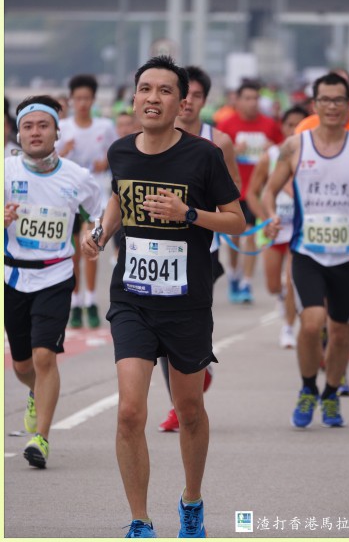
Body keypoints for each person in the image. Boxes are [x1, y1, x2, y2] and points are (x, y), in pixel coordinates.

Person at [81, 55, 245, 538]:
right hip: (132, 298)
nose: (153, 98)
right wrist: (101, 232)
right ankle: (140, 520)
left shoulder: (204, 156)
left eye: (165, 91)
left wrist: (187, 214)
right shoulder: (121, 150)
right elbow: (119, 196)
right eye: (146, 89)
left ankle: (191, 501)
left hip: (186, 301)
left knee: (189, 410)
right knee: (129, 411)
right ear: (134, 98)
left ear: (181, 103)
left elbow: (236, 220)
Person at [265, 72, 349, 428]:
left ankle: (332, 392)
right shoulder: (296, 146)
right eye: (325, 99)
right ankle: (308, 388)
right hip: (307, 251)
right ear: (315, 104)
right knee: (312, 323)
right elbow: (269, 189)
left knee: (340, 332)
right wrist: (272, 216)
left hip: (348, 253)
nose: (332, 106)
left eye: (340, 100)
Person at [4, 95, 102, 468]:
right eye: (28, 126)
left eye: (43, 125)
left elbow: (100, 213)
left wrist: (92, 235)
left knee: (45, 356)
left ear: (57, 132)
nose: (35, 132)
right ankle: (36, 393)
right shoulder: (6, 171)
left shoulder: (77, 177)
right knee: (22, 365)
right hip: (13, 275)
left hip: (56, 274)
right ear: (19, 134)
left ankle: (41, 439)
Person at [158, 64, 241, 433]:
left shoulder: (219, 141)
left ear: (205, 100)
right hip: (161, 247)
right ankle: (178, 403)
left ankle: (196, 364)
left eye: (196, 96)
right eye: (184, 94)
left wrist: (196, 211)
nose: (188, 101)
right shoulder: (157, 136)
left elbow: (233, 194)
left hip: (203, 247)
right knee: (162, 326)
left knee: (186, 324)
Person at [56, 74, 117, 328]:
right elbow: (50, 159)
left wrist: (107, 162)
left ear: (93, 100)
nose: (82, 103)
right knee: (72, 253)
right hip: (68, 197)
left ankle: (91, 301)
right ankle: (75, 303)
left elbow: (116, 154)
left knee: (91, 246)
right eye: (78, 98)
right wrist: (64, 151)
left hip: (96, 195)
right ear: (71, 100)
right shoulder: (63, 127)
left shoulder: (104, 126)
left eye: (87, 98)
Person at [247, 106, 308, 349]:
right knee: (274, 285)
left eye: (299, 125)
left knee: (293, 280)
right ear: (282, 126)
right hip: (274, 230)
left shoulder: (313, 156)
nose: (293, 130)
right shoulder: (270, 156)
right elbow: (251, 193)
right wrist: (265, 219)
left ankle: (288, 327)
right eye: (289, 124)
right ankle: (282, 299)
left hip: (299, 232)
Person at [218, 82, 283, 303]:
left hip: (258, 191)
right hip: (234, 190)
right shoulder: (227, 124)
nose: (252, 102)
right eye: (247, 98)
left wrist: (272, 148)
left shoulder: (270, 124)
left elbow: (283, 153)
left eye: (255, 98)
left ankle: (246, 282)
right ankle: (234, 273)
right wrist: (232, 152)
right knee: (235, 236)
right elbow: (214, 154)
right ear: (237, 100)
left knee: (252, 235)